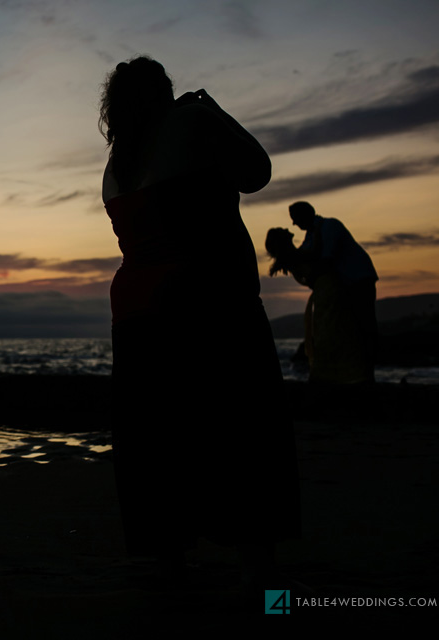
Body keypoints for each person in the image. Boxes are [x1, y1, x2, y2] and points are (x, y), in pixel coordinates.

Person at [99, 57, 300, 592]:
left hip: (137, 313)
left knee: (159, 443)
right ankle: (263, 583)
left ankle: (171, 571)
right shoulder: (190, 121)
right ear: (165, 94)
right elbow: (256, 172)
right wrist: (209, 104)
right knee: (243, 435)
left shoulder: (116, 164)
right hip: (208, 301)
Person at [288, 201, 378, 381]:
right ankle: (356, 375)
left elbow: (326, 259)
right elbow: (302, 257)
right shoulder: (311, 235)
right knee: (351, 330)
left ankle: (367, 376)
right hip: (345, 285)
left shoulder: (329, 226)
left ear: (305, 215)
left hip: (358, 280)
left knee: (363, 327)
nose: (294, 225)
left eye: (296, 219)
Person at [266, 228, 368, 383]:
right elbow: (316, 255)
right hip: (327, 293)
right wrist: (318, 231)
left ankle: (334, 374)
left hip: (325, 292)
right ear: (282, 239)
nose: (287, 228)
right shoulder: (295, 255)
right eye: (282, 230)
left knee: (331, 331)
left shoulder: (294, 255)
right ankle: (337, 374)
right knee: (334, 332)